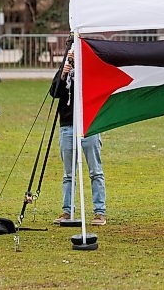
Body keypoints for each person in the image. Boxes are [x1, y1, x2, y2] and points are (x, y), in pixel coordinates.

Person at [50, 50, 107, 226]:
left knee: (95, 171)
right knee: (68, 173)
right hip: (67, 125)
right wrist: (63, 74)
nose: (72, 57)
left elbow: (97, 90)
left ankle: (99, 212)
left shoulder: (89, 72)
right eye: (71, 54)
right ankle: (67, 210)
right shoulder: (63, 71)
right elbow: (54, 93)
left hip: (88, 125)